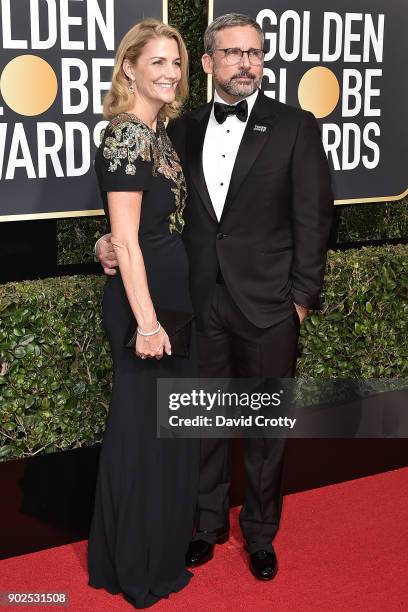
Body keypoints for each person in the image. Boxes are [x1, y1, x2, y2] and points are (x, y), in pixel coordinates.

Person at [96, 13, 334, 583]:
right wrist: (106, 243)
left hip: (268, 304)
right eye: (232, 53)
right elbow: (141, 210)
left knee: (264, 428)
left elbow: (315, 219)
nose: (246, 63)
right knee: (198, 422)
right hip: (196, 303)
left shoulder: (296, 126)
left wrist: (299, 300)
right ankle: (205, 527)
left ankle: (259, 534)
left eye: (255, 52)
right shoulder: (178, 128)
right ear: (208, 65)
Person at [87, 19, 199, 609]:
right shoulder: (127, 136)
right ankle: (135, 564)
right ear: (128, 68)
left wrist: (104, 246)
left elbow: (124, 233)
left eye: (176, 63)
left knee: (164, 430)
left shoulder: (157, 134)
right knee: (142, 431)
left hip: (166, 295)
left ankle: (148, 550)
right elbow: (127, 241)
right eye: (157, 62)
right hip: (145, 303)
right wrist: (149, 323)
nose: (170, 73)